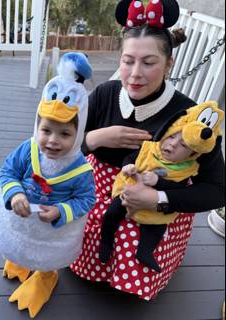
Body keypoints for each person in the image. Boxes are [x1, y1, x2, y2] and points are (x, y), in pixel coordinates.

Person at [70, 0, 225, 301]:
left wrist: (159, 198)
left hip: (158, 200)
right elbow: (57, 144)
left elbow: (218, 189)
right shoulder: (104, 94)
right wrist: (98, 137)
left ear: (169, 65)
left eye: (149, 62)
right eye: (128, 61)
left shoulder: (188, 115)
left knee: (135, 230)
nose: (135, 74)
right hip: (98, 189)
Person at [0, 52, 96, 318]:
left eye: (64, 134)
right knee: (19, 245)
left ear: (78, 132)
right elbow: (9, 171)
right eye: (46, 130)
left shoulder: (81, 169)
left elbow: (86, 199)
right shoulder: (28, 149)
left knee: (45, 257)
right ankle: (18, 261)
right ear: (37, 125)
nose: (52, 141)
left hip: (52, 231)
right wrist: (14, 193)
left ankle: (45, 277)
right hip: (21, 217)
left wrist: (61, 211)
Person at [98, 101, 224, 272]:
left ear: (193, 154)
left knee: (156, 227)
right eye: (171, 136)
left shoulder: (186, 169)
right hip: (128, 193)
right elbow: (130, 158)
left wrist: (158, 183)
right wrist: (128, 166)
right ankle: (105, 240)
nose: (172, 144)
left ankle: (145, 251)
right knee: (112, 212)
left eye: (183, 145)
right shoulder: (150, 148)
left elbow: (177, 189)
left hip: (157, 207)